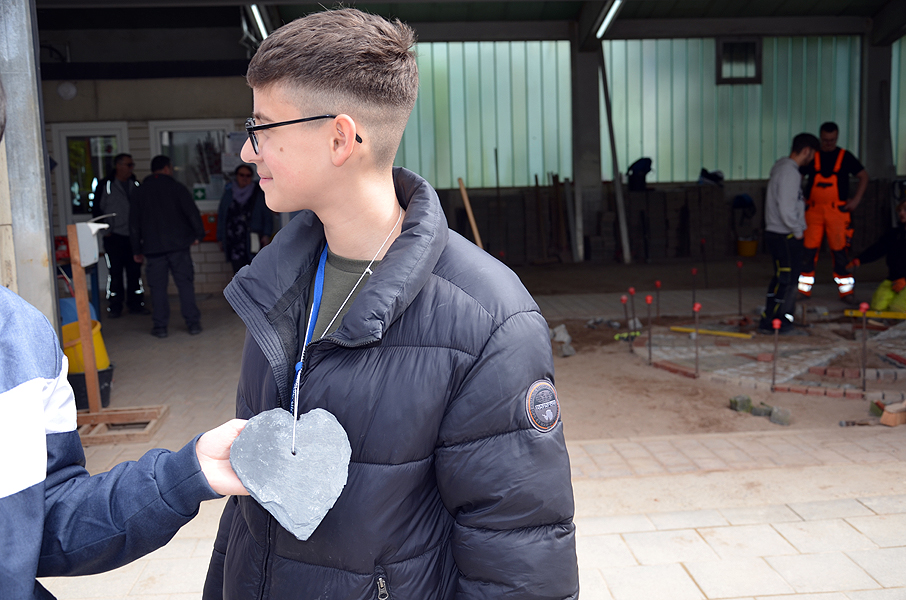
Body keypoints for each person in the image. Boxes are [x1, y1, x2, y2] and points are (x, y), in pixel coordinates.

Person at [202, 8, 578, 600]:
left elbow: (518, 557)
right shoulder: (275, 281)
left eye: (264, 128)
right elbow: (251, 509)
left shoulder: (488, 319)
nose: (249, 152)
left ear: (340, 138)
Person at [0, 81, 249, 599]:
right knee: (182, 291)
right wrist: (190, 235)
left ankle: (162, 325)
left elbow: (42, 518)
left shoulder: (23, 339)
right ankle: (189, 323)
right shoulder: (167, 189)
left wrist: (188, 472)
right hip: (173, 246)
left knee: (159, 295)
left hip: (151, 248)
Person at [130, 155, 206, 338]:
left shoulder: (140, 192)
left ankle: (160, 327)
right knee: (185, 285)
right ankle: (193, 324)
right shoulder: (177, 188)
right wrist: (198, 235)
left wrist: (136, 249)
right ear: (166, 168)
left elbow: (133, 223)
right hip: (179, 246)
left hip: (153, 248)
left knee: (157, 289)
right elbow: (192, 213)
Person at [797, 121, 870, 302]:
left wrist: (856, 200)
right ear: (820, 138)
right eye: (825, 140)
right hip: (813, 211)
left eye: (832, 140)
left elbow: (863, 176)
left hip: (837, 212)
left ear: (837, 138)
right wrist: (800, 199)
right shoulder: (812, 156)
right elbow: (797, 176)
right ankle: (803, 290)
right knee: (807, 251)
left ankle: (846, 292)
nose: (828, 143)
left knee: (840, 252)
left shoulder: (845, 156)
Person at [758, 132, 820, 334]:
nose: (812, 159)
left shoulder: (783, 169)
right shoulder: (790, 173)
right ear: (806, 151)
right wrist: (797, 231)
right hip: (785, 235)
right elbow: (786, 209)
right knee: (788, 281)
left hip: (779, 233)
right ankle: (777, 322)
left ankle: (774, 319)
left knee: (783, 278)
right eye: (813, 154)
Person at [93, 153, 148, 318]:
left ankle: (136, 304)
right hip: (114, 237)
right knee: (115, 273)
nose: (131, 168)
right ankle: (115, 306)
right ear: (119, 166)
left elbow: (143, 209)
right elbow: (96, 210)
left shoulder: (135, 184)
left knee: (134, 273)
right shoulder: (106, 185)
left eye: (132, 165)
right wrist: (106, 231)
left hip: (133, 237)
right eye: (128, 165)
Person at [848, 199, 906, 313]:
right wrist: (860, 259)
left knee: (898, 309)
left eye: (905, 210)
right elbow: (878, 249)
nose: (901, 213)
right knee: (877, 307)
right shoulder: (895, 234)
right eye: (900, 210)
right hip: (894, 279)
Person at [216, 164, 274, 274]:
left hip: (252, 238)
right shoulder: (229, 194)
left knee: (254, 268)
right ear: (236, 176)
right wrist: (220, 238)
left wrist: (267, 234)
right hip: (233, 240)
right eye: (241, 175)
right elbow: (222, 216)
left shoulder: (258, 194)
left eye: (248, 175)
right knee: (238, 270)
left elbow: (267, 216)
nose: (244, 178)